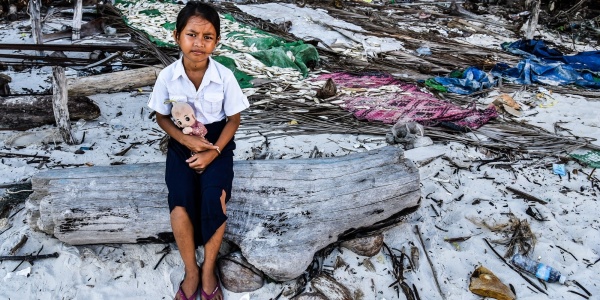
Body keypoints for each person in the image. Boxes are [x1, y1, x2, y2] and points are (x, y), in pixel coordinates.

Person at [147, 2, 250, 299]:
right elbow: (161, 116)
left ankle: (208, 269)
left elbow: (234, 119)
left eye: (208, 36)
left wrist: (213, 151)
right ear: (177, 36)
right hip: (182, 144)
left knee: (213, 196)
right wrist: (186, 141)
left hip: (217, 142)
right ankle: (191, 270)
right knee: (179, 201)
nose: (199, 43)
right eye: (192, 34)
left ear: (216, 41)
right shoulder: (168, 76)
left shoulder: (224, 76)